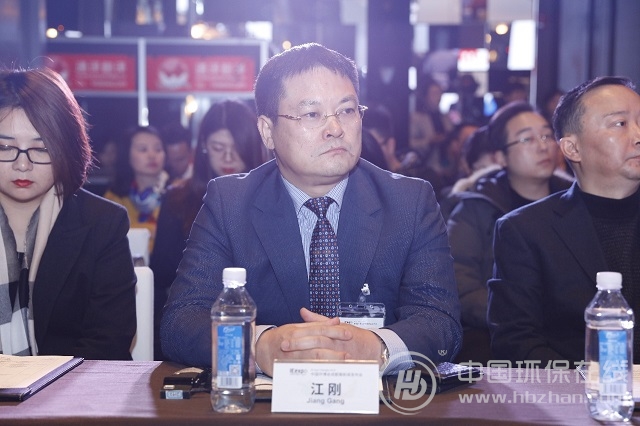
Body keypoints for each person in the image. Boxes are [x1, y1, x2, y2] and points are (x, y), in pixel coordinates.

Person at [161, 43, 462, 376]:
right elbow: (181, 323)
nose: (335, 128)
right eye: (312, 114)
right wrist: (257, 345)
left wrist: (376, 348)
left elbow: (440, 322)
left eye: (347, 110)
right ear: (267, 131)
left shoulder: (409, 201)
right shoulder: (230, 203)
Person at [487, 76, 640, 366]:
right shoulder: (526, 230)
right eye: (620, 123)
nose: (637, 135)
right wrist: (598, 383)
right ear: (572, 148)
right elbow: (516, 343)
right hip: (572, 390)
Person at [0, 67, 135, 359]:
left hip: (70, 385)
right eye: (5, 147)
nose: (22, 164)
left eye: (41, 149)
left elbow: (108, 342)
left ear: (66, 147)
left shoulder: (102, 223)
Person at [447, 101, 573, 364]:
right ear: (500, 157)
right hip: (495, 340)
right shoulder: (477, 207)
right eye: (527, 139)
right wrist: (517, 317)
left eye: (546, 136)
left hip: (569, 341)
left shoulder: (574, 202)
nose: (542, 146)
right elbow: (461, 284)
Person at [150, 99, 265, 359]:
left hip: (259, 329)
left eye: (237, 147)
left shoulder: (269, 202)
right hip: (195, 330)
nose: (228, 157)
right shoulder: (178, 199)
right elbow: (162, 275)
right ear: (203, 147)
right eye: (218, 148)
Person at [104, 125, 168, 252]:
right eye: (143, 149)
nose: (152, 155)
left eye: (158, 149)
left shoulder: (178, 193)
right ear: (127, 155)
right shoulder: (114, 198)